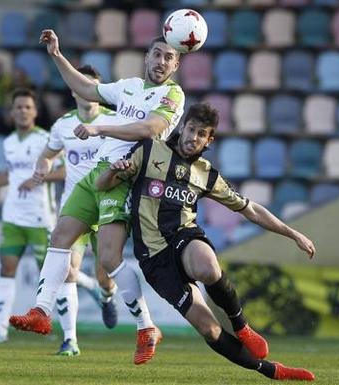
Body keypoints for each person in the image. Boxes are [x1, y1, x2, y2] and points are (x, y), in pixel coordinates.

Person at [95, 102, 316, 381]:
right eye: (191, 129)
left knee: (208, 267)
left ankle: (242, 326)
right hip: (154, 259)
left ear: (209, 140)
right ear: (182, 127)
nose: (193, 138)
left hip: (184, 238)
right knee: (209, 330)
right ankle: (272, 371)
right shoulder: (150, 151)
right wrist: (113, 171)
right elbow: (102, 185)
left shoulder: (206, 173)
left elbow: (250, 209)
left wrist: (293, 233)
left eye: (201, 134)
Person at [9, 30, 185, 365]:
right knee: (60, 237)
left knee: (108, 258)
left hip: (122, 175)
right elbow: (86, 88)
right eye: (157, 54)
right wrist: (57, 56)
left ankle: (146, 327)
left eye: (168, 57)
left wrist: (100, 128)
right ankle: (42, 312)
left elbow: (150, 129)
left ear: (176, 65)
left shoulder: (173, 95)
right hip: (95, 173)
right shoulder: (129, 86)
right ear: (146, 57)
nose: (161, 62)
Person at [18, 65, 121, 356]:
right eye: (84, 84)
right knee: (67, 271)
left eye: (95, 86)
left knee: (106, 275)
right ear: (75, 90)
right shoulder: (63, 125)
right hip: (74, 207)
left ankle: (105, 294)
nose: (90, 91)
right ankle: (71, 340)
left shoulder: (114, 122)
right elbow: (48, 155)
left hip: (106, 206)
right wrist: (42, 168)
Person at [0, 88, 62, 344]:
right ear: (12, 113)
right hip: (13, 215)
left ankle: (80, 294)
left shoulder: (47, 140)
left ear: (35, 112)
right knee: (6, 267)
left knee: (51, 274)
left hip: (39, 218)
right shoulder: (9, 142)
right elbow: (10, 174)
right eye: (18, 107)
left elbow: (66, 171)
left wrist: (37, 178)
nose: (22, 111)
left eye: (27, 107)